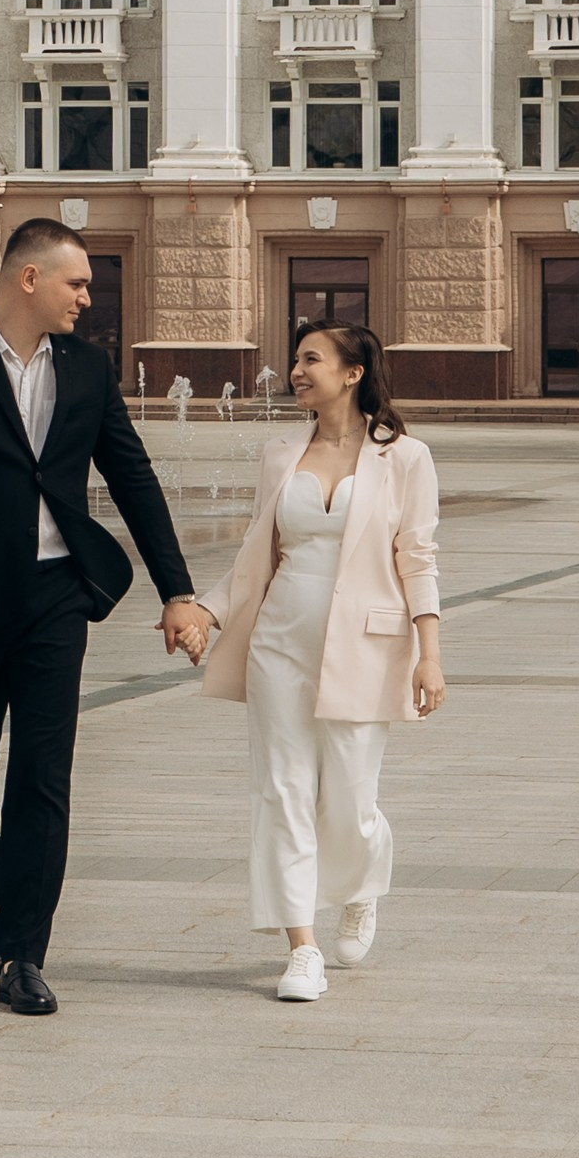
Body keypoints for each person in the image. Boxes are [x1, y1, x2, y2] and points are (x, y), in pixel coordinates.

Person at [0, 219, 209, 1019]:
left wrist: (179, 590)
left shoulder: (87, 368)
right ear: (28, 278)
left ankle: (25, 955)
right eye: (77, 284)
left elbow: (132, 478)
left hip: (56, 599)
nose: (87, 299)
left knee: (43, 776)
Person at [199, 326, 444, 1004]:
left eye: (310, 359)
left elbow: (415, 557)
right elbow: (256, 555)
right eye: (296, 359)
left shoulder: (405, 458)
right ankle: (301, 948)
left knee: (350, 801)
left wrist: (429, 654)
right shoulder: (281, 453)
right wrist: (207, 611)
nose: (295, 370)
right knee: (280, 791)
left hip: (367, 646)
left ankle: (362, 887)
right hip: (279, 643)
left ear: (353, 372)